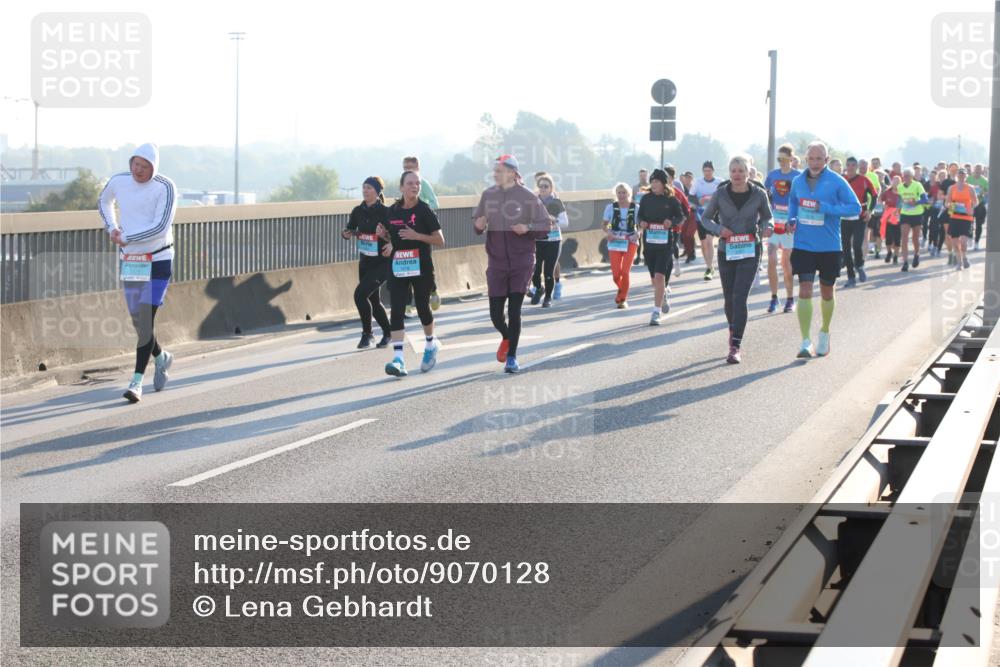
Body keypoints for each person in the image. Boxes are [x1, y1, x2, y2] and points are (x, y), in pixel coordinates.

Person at [98, 143, 177, 403]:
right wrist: (112, 227)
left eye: (144, 167)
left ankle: (136, 382)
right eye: (135, 164)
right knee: (137, 320)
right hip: (132, 260)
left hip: (159, 260)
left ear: (154, 168)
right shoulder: (119, 181)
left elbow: (160, 226)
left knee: (145, 318)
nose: (138, 171)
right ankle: (161, 357)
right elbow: (104, 200)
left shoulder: (165, 187)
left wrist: (126, 237)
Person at [473, 155, 551, 374]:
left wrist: (527, 228)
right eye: (495, 171)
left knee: (514, 309)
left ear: (513, 173)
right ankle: (507, 336)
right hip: (496, 262)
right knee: (495, 314)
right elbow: (478, 222)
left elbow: (545, 225)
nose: (496, 174)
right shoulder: (488, 195)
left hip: (521, 261)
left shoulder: (527, 197)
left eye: (500, 170)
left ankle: (512, 357)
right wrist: (478, 225)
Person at [787, 142, 861, 358]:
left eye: (819, 159)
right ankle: (805, 341)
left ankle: (825, 331)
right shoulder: (798, 181)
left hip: (829, 246)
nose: (815, 163)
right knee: (805, 290)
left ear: (827, 160)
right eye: (811, 158)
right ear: (806, 159)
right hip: (804, 244)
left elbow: (855, 207)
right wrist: (792, 219)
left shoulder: (837, 181)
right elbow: (793, 202)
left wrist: (826, 208)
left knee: (827, 291)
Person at [701, 155, 773, 363]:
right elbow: (705, 218)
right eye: (733, 171)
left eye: (741, 170)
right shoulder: (720, 193)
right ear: (729, 172)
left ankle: (735, 345)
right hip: (727, 251)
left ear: (748, 172)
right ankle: (733, 330)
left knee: (740, 296)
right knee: (729, 298)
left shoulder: (759, 194)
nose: (737, 175)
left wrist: (766, 227)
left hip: (750, 249)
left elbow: (768, 216)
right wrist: (718, 229)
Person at [383, 170, 445, 377]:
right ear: (401, 187)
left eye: (417, 183)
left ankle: (430, 345)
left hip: (422, 268)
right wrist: (386, 238)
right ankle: (399, 359)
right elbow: (393, 236)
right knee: (398, 309)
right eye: (410, 183)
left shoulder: (424, 210)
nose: (414, 186)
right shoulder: (392, 211)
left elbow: (439, 240)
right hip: (399, 267)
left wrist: (417, 235)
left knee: (422, 307)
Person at [342, 176, 392, 349]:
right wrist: (346, 233)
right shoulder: (357, 211)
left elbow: (394, 236)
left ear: (377, 192)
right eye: (363, 188)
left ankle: (367, 334)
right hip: (365, 261)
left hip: (382, 262)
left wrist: (387, 238)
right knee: (374, 300)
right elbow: (350, 228)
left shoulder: (386, 212)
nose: (365, 191)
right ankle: (388, 332)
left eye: (369, 188)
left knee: (359, 295)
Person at [638, 169, 686, 325]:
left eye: (657, 182)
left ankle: (655, 312)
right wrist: (641, 223)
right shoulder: (646, 199)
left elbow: (681, 216)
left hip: (665, 245)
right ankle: (662, 292)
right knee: (654, 280)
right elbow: (639, 216)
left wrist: (671, 222)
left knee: (659, 276)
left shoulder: (671, 200)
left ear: (664, 183)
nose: (653, 185)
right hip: (649, 244)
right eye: (652, 182)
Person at [401, 156, 441, 313]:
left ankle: (433, 291)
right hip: (407, 230)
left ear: (418, 167)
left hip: (422, 230)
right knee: (406, 263)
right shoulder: (404, 183)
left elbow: (435, 203)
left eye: (411, 167)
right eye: (405, 167)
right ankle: (406, 305)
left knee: (424, 264)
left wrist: (421, 210)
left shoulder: (422, 184)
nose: (408, 170)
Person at [764, 143, 800, 313]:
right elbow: (763, 197)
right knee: (771, 258)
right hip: (774, 222)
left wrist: (796, 220)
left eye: (784, 159)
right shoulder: (772, 175)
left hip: (789, 224)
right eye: (779, 159)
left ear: (791, 159)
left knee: (786, 263)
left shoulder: (798, 176)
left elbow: (803, 199)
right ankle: (773, 297)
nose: (781, 162)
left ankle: (790, 298)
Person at [530, 173, 568, 307]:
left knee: (548, 272)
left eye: (546, 186)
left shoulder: (556, 202)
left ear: (551, 188)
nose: (543, 189)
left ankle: (547, 298)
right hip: (538, 240)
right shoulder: (534, 202)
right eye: (541, 186)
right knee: (535, 270)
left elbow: (565, 222)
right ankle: (539, 289)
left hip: (554, 240)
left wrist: (554, 220)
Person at [841, 157, 879, 286]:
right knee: (845, 248)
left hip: (860, 216)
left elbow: (874, 196)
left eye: (853, 165)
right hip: (844, 217)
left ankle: (860, 265)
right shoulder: (841, 180)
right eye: (849, 165)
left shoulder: (864, 180)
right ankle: (851, 277)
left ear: (856, 167)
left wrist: (870, 210)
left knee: (857, 245)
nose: (851, 167)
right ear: (846, 166)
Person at [604, 183, 640, 308]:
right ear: (616, 194)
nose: (621, 195)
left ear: (629, 194)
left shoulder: (635, 208)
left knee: (625, 272)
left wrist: (638, 233)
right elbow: (606, 224)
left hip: (630, 241)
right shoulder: (610, 207)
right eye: (619, 192)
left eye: (624, 192)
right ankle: (622, 289)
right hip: (615, 241)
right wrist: (609, 232)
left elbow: (640, 225)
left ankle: (622, 298)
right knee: (615, 274)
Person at [895, 167, 929, 271]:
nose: (906, 178)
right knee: (904, 237)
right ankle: (905, 262)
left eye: (908, 176)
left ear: (912, 176)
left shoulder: (917, 185)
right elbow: (900, 199)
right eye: (904, 176)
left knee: (915, 238)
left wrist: (916, 202)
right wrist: (897, 210)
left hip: (917, 214)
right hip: (905, 214)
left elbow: (925, 199)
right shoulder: (900, 186)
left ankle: (916, 254)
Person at [693, 160, 721, 280]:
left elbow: (725, 195)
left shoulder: (719, 182)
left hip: (714, 214)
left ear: (713, 171)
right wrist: (698, 201)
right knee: (703, 243)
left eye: (709, 171)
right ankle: (708, 266)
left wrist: (714, 199)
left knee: (709, 241)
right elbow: (690, 196)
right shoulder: (697, 182)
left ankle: (709, 268)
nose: (707, 173)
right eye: (705, 171)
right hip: (701, 215)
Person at [946, 168, 977, 270]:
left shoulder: (970, 188)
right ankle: (959, 263)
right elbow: (947, 203)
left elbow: (975, 201)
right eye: (960, 174)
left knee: (963, 241)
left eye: (963, 175)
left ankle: (964, 257)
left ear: (966, 176)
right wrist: (951, 206)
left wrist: (971, 208)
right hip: (954, 217)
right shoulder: (952, 188)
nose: (961, 176)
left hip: (966, 217)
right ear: (957, 176)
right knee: (955, 243)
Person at [880, 175, 902, 264]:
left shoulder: (902, 192)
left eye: (898, 181)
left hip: (899, 217)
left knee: (897, 239)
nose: (896, 183)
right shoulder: (887, 192)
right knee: (888, 238)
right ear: (892, 182)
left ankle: (896, 256)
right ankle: (889, 252)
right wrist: (884, 207)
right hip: (888, 218)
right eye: (894, 181)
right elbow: (881, 200)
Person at [968, 163, 989, 251]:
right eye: (976, 169)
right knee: (969, 223)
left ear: (982, 171)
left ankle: (976, 242)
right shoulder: (969, 179)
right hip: (970, 203)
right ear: (974, 169)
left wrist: (982, 191)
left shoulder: (984, 181)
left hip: (980, 204)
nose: (978, 170)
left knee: (979, 224)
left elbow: (988, 192)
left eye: (980, 169)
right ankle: (970, 238)